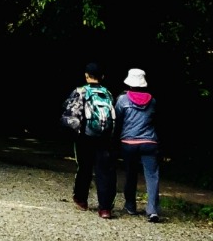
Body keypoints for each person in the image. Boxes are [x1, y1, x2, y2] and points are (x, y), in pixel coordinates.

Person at [64, 62, 118, 217]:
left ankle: (81, 200)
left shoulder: (80, 91)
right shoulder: (108, 93)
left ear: (86, 75)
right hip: (104, 138)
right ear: (102, 77)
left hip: (85, 137)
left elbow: (71, 115)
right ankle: (105, 208)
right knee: (104, 171)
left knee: (84, 167)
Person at [116, 67, 161, 222]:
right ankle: (153, 210)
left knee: (130, 174)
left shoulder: (122, 100)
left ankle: (130, 205)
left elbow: (117, 120)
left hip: (129, 143)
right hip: (149, 142)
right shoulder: (152, 101)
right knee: (152, 176)